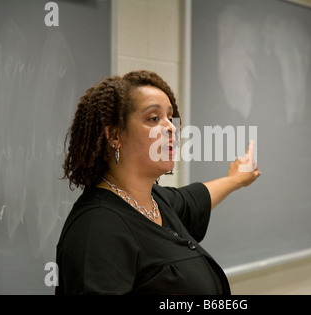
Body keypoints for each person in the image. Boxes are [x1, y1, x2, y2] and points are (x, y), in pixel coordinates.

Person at [56, 70, 260, 295]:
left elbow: (197, 198)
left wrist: (236, 179)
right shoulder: (97, 229)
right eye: (154, 119)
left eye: (170, 118)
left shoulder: (154, 200)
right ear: (114, 136)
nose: (171, 127)